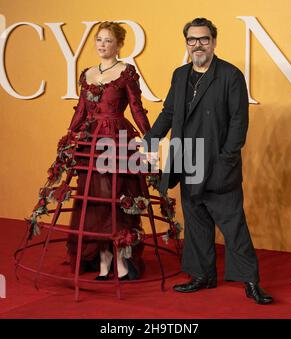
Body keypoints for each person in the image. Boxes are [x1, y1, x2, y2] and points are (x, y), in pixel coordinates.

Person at [143, 18, 273, 304]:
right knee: (196, 223)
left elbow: (239, 122)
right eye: (192, 39)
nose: (198, 45)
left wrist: (227, 159)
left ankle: (251, 281)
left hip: (217, 163)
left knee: (234, 225)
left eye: (203, 39)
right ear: (186, 43)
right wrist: (151, 138)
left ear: (214, 41)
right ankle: (202, 275)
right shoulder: (179, 75)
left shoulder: (230, 75)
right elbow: (168, 112)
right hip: (188, 160)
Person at [66, 21, 151, 280]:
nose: (102, 45)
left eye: (108, 41)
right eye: (99, 40)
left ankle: (122, 263)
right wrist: (70, 136)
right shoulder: (87, 73)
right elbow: (81, 111)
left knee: (116, 198)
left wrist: (151, 137)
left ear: (119, 45)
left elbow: (136, 107)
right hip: (91, 143)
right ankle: (103, 263)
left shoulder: (126, 72)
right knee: (95, 202)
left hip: (117, 141)